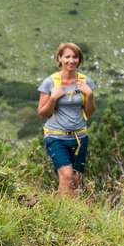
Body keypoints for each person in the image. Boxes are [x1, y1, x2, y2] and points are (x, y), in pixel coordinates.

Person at [37, 42, 95, 194]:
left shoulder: (86, 82)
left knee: (75, 180)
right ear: (60, 59)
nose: (71, 60)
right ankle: (63, 208)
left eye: (75, 57)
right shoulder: (50, 82)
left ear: (79, 60)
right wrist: (53, 98)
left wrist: (89, 95)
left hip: (79, 137)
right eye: (67, 57)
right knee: (67, 175)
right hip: (56, 136)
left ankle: (61, 207)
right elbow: (42, 113)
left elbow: (89, 113)